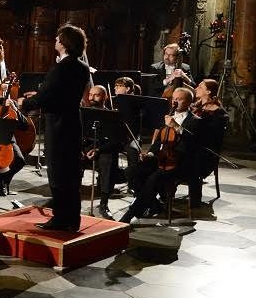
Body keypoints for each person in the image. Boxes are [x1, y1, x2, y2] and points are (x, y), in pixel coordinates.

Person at [18, 24, 92, 231]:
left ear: (65, 43)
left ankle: (60, 219)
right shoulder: (82, 67)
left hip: (58, 125)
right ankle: (72, 218)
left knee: (58, 174)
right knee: (70, 173)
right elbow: (62, 94)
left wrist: (25, 103)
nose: (56, 41)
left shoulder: (61, 68)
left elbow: (47, 96)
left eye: (59, 38)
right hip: (72, 123)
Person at [120, 87, 200, 222]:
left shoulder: (195, 120)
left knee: (153, 179)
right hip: (162, 158)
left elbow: (193, 143)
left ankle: (130, 215)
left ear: (188, 102)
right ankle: (154, 205)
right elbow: (159, 142)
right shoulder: (168, 116)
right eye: (173, 99)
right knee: (132, 172)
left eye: (179, 99)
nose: (174, 102)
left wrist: (175, 126)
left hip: (180, 162)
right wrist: (150, 153)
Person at [82, 85, 126, 219]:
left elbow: (117, 142)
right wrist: (82, 150)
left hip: (103, 149)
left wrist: (99, 150)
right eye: (90, 95)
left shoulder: (112, 116)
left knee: (107, 160)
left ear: (105, 97)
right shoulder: (84, 113)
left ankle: (103, 203)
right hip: (87, 148)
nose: (92, 98)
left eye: (96, 95)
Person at [188, 78, 228, 206]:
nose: (196, 88)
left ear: (209, 92)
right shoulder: (197, 106)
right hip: (192, 147)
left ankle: (194, 201)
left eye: (200, 87)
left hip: (206, 154)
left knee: (189, 160)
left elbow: (208, 137)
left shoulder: (218, 113)